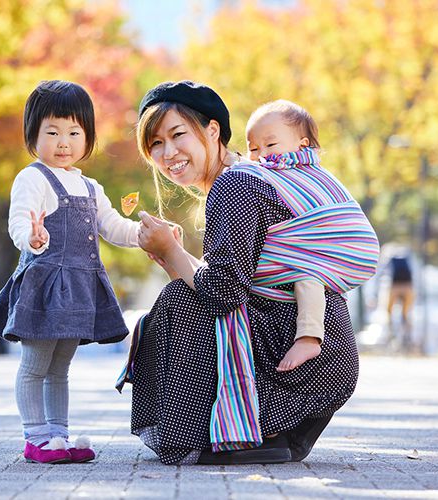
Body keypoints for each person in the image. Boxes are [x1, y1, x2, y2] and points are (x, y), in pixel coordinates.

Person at [116, 80, 378, 465]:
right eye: (155, 144)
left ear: (212, 130)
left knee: (177, 301)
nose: (168, 153)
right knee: (186, 294)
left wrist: (172, 252)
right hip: (318, 356)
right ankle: (262, 431)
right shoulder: (254, 177)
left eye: (177, 135)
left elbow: (222, 294)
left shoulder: (237, 183)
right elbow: (231, 286)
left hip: (296, 363)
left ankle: (244, 431)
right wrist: (173, 257)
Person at [0, 80, 140, 464]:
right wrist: (33, 238)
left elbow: (114, 226)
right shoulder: (33, 178)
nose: (63, 142)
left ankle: (59, 436)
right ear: (33, 135)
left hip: (79, 287)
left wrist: (147, 235)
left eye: (74, 132)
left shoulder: (91, 185)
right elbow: (20, 221)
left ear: (88, 136)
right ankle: (35, 439)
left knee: (60, 368)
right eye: (52, 132)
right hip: (45, 284)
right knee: (36, 364)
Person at [245, 99, 380, 371]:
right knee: (306, 273)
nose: (262, 154)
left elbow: (333, 207)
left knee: (307, 277)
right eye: (253, 148)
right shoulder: (273, 174)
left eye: (270, 145)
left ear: (302, 145)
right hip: (313, 249)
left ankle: (309, 338)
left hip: (335, 248)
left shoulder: (303, 170)